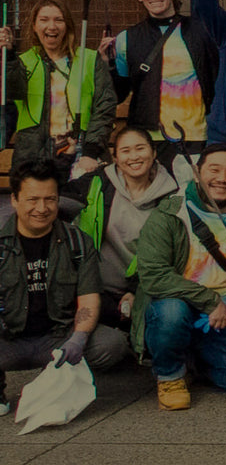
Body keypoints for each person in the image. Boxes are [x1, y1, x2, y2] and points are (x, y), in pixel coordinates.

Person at [131, 145, 226, 409]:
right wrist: (210, 300)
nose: (222, 178)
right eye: (214, 169)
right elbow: (153, 275)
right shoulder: (169, 213)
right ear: (198, 173)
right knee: (171, 313)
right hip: (180, 308)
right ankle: (170, 375)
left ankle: (195, 360)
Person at [0, 159, 128, 401]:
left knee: (111, 344)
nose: (42, 208)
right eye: (32, 200)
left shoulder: (78, 242)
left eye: (50, 199)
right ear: (15, 200)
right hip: (8, 339)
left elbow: (88, 299)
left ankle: (57, 378)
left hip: (58, 336)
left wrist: (78, 339)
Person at [65, 126, 180, 334]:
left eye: (140, 149)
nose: (134, 157)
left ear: (153, 153)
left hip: (146, 287)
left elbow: (168, 255)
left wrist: (136, 290)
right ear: (115, 158)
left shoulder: (171, 196)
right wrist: (64, 159)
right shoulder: (98, 182)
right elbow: (56, 200)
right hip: (94, 287)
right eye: (125, 151)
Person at [105, 0, 217, 169]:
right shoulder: (126, 39)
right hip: (148, 140)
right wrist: (108, 65)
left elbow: (215, 78)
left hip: (195, 135)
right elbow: (118, 94)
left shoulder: (201, 31)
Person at [2, 0, 115, 174]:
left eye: (59, 20)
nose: (52, 26)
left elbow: (105, 106)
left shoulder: (90, 60)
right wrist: (8, 55)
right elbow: (14, 90)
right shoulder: (23, 63)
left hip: (80, 155)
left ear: (67, 25)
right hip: (33, 155)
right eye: (44, 20)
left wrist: (91, 152)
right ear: (34, 25)